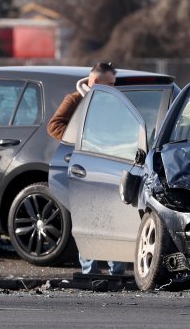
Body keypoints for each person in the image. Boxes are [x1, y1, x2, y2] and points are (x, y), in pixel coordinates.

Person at [48, 61, 125, 276]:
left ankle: (116, 270)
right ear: (97, 82)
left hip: (110, 165)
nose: (113, 88)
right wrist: (82, 140)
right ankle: (89, 271)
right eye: (111, 84)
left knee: (113, 219)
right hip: (84, 167)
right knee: (88, 220)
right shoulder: (75, 100)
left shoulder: (111, 102)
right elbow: (54, 125)